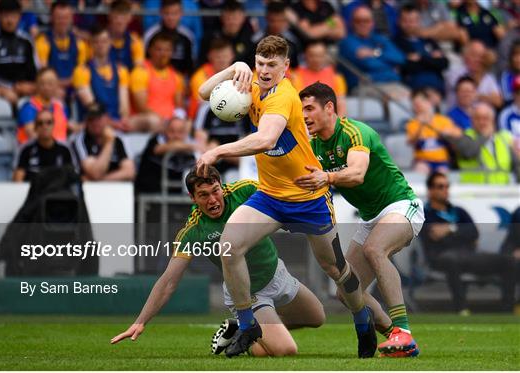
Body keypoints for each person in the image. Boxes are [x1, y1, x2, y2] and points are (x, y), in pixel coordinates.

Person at [195, 35, 376, 358]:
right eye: (260, 63)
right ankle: (247, 323)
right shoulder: (249, 84)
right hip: (270, 196)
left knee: (336, 269)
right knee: (229, 246)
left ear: (285, 67)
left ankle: (362, 320)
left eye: (272, 65)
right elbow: (203, 92)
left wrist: (217, 151)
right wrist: (232, 69)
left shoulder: (284, 97)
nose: (264, 71)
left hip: (308, 197)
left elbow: (265, 139)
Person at [113, 166, 326, 357]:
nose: (212, 200)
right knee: (286, 350)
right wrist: (140, 322)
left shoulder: (245, 191)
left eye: (215, 191)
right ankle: (246, 337)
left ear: (222, 187)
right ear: (193, 198)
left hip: (277, 273)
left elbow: (280, 194)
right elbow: (169, 281)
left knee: (317, 317)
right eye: (203, 195)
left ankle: (242, 329)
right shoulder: (193, 230)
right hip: (248, 294)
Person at [295, 82, 424, 358]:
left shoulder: (355, 132)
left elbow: (356, 174)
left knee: (375, 249)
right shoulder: (314, 146)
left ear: (329, 108)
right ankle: (395, 338)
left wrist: (327, 177)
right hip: (371, 218)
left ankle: (404, 329)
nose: (304, 115)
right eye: (301, 109)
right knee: (346, 291)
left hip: (402, 205)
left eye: (309, 108)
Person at [420, 171, 515, 313]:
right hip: (440, 256)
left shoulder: (459, 211)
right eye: (440, 186)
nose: (445, 190)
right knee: (452, 259)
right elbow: (431, 235)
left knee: (508, 260)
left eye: (447, 186)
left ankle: (507, 310)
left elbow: (473, 232)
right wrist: (460, 233)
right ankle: (461, 308)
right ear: (430, 190)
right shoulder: (425, 213)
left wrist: (450, 229)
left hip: (467, 254)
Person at [339, 5, 408, 100]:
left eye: (366, 20)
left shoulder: (379, 38)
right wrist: (389, 67)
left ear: (372, 23)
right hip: (364, 87)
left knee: (416, 100)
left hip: (391, 83)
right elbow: (369, 64)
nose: (362, 24)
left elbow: (400, 58)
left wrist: (375, 53)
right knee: (396, 100)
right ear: (352, 23)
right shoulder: (347, 42)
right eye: (358, 21)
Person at [0, 0, 37, 105]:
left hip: (25, 88)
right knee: (6, 95)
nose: (10, 20)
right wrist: (12, 86)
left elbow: (34, 69)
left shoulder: (27, 40)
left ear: (19, 17)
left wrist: (29, 85)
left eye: (13, 16)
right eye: (6, 16)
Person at [129, 32, 186, 132]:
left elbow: (179, 106)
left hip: (169, 121)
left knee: (186, 123)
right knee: (153, 121)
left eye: (167, 50)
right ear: (150, 50)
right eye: (159, 49)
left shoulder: (177, 76)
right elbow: (141, 107)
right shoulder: (140, 72)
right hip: (146, 119)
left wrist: (176, 120)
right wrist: (164, 120)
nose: (163, 54)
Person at [456, 102, 519, 184]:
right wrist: (485, 136)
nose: (482, 122)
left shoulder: (504, 139)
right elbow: (468, 152)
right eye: (477, 118)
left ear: (492, 120)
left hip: (502, 192)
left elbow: (516, 165)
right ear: (471, 121)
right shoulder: (465, 137)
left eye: (485, 118)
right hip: (474, 192)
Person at [394, 4, 449, 96]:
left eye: (412, 21)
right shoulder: (396, 43)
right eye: (405, 21)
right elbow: (408, 66)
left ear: (419, 21)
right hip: (414, 90)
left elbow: (444, 63)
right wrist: (431, 59)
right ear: (399, 21)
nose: (409, 24)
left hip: (438, 90)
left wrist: (420, 58)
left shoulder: (428, 40)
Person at [71, 103, 135, 182]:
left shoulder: (119, 139)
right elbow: (95, 173)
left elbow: (129, 172)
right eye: (91, 119)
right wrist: (109, 143)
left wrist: (100, 180)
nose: (95, 123)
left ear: (107, 118)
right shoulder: (80, 140)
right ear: (86, 121)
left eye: (99, 118)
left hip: (118, 188)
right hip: (89, 190)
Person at [35, 0, 88, 95]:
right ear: (52, 18)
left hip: (75, 88)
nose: (63, 21)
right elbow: (44, 75)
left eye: (66, 18)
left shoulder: (79, 43)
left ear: (72, 19)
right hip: (51, 89)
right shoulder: (43, 41)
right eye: (59, 18)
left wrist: (70, 83)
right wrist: (59, 85)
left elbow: (82, 72)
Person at [405, 89, 462, 174]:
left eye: (421, 102)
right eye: (415, 104)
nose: (418, 106)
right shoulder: (412, 123)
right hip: (422, 161)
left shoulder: (442, 120)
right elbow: (410, 142)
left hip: (442, 161)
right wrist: (420, 126)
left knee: (442, 174)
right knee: (420, 170)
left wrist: (447, 132)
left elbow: (459, 134)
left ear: (429, 102)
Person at [134, 117, 196, 194]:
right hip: (150, 196)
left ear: (185, 133)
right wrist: (192, 146)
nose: (176, 135)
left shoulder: (190, 149)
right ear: (165, 131)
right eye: (172, 131)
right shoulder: (155, 141)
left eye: (180, 132)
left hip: (178, 197)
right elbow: (158, 149)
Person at [13, 109, 75, 182]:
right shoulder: (26, 150)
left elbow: (72, 176)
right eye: (40, 123)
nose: (44, 126)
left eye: (48, 122)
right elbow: (18, 178)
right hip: (34, 191)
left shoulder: (64, 150)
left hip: (58, 191)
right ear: (35, 127)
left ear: (53, 125)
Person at [290, 40, 347, 116]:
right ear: (305, 56)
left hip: (328, 121)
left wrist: (339, 124)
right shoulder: (295, 76)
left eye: (320, 55)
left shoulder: (336, 77)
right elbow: (295, 103)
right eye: (312, 55)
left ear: (325, 56)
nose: (316, 59)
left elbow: (341, 103)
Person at [17, 67, 71, 145]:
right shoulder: (29, 107)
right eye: (42, 83)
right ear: (37, 85)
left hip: (60, 152)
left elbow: (67, 126)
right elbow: (31, 134)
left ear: (57, 85)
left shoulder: (60, 106)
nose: (46, 87)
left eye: (50, 83)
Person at [444, 40, 503, 109]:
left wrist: (479, 96)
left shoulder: (488, 77)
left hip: (480, 117)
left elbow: (498, 102)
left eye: (482, 56)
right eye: (474, 55)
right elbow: (466, 94)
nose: (478, 59)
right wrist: (486, 97)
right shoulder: (455, 73)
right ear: (465, 56)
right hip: (455, 117)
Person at [144, 0, 194, 76]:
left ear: (181, 13)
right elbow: (145, 61)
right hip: (153, 78)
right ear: (161, 12)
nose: (171, 17)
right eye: (167, 13)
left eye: (175, 13)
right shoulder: (151, 34)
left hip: (179, 82)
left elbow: (189, 66)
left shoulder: (187, 36)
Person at [188, 38, 234, 119]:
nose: (222, 60)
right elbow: (202, 99)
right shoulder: (200, 75)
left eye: (225, 56)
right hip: (201, 117)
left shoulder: (238, 73)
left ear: (232, 55)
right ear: (210, 56)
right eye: (218, 57)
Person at [200, 0, 255, 67]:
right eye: (228, 18)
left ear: (243, 17)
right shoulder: (210, 39)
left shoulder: (251, 39)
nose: (232, 22)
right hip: (215, 75)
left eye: (235, 18)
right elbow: (202, 64)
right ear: (221, 17)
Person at [251, 1, 302, 69]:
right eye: (273, 21)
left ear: (285, 20)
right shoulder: (255, 40)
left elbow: (296, 68)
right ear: (267, 18)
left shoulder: (292, 41)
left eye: (280, 20)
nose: (276, 25)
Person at [107, 0, 145, 70]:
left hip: (127, 78)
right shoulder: (100, 39)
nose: (119, 21)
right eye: (116, 17)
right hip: (105, 78)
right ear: (110, 16)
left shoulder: (135, 40)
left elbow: (139, 65)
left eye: (123, 17)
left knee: (139, 73)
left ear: (129, 18)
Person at [498, 75, 520, 158]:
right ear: (514, 94)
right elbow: (505, 139)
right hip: (514, 156)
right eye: (518, 93)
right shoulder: (506, 115)